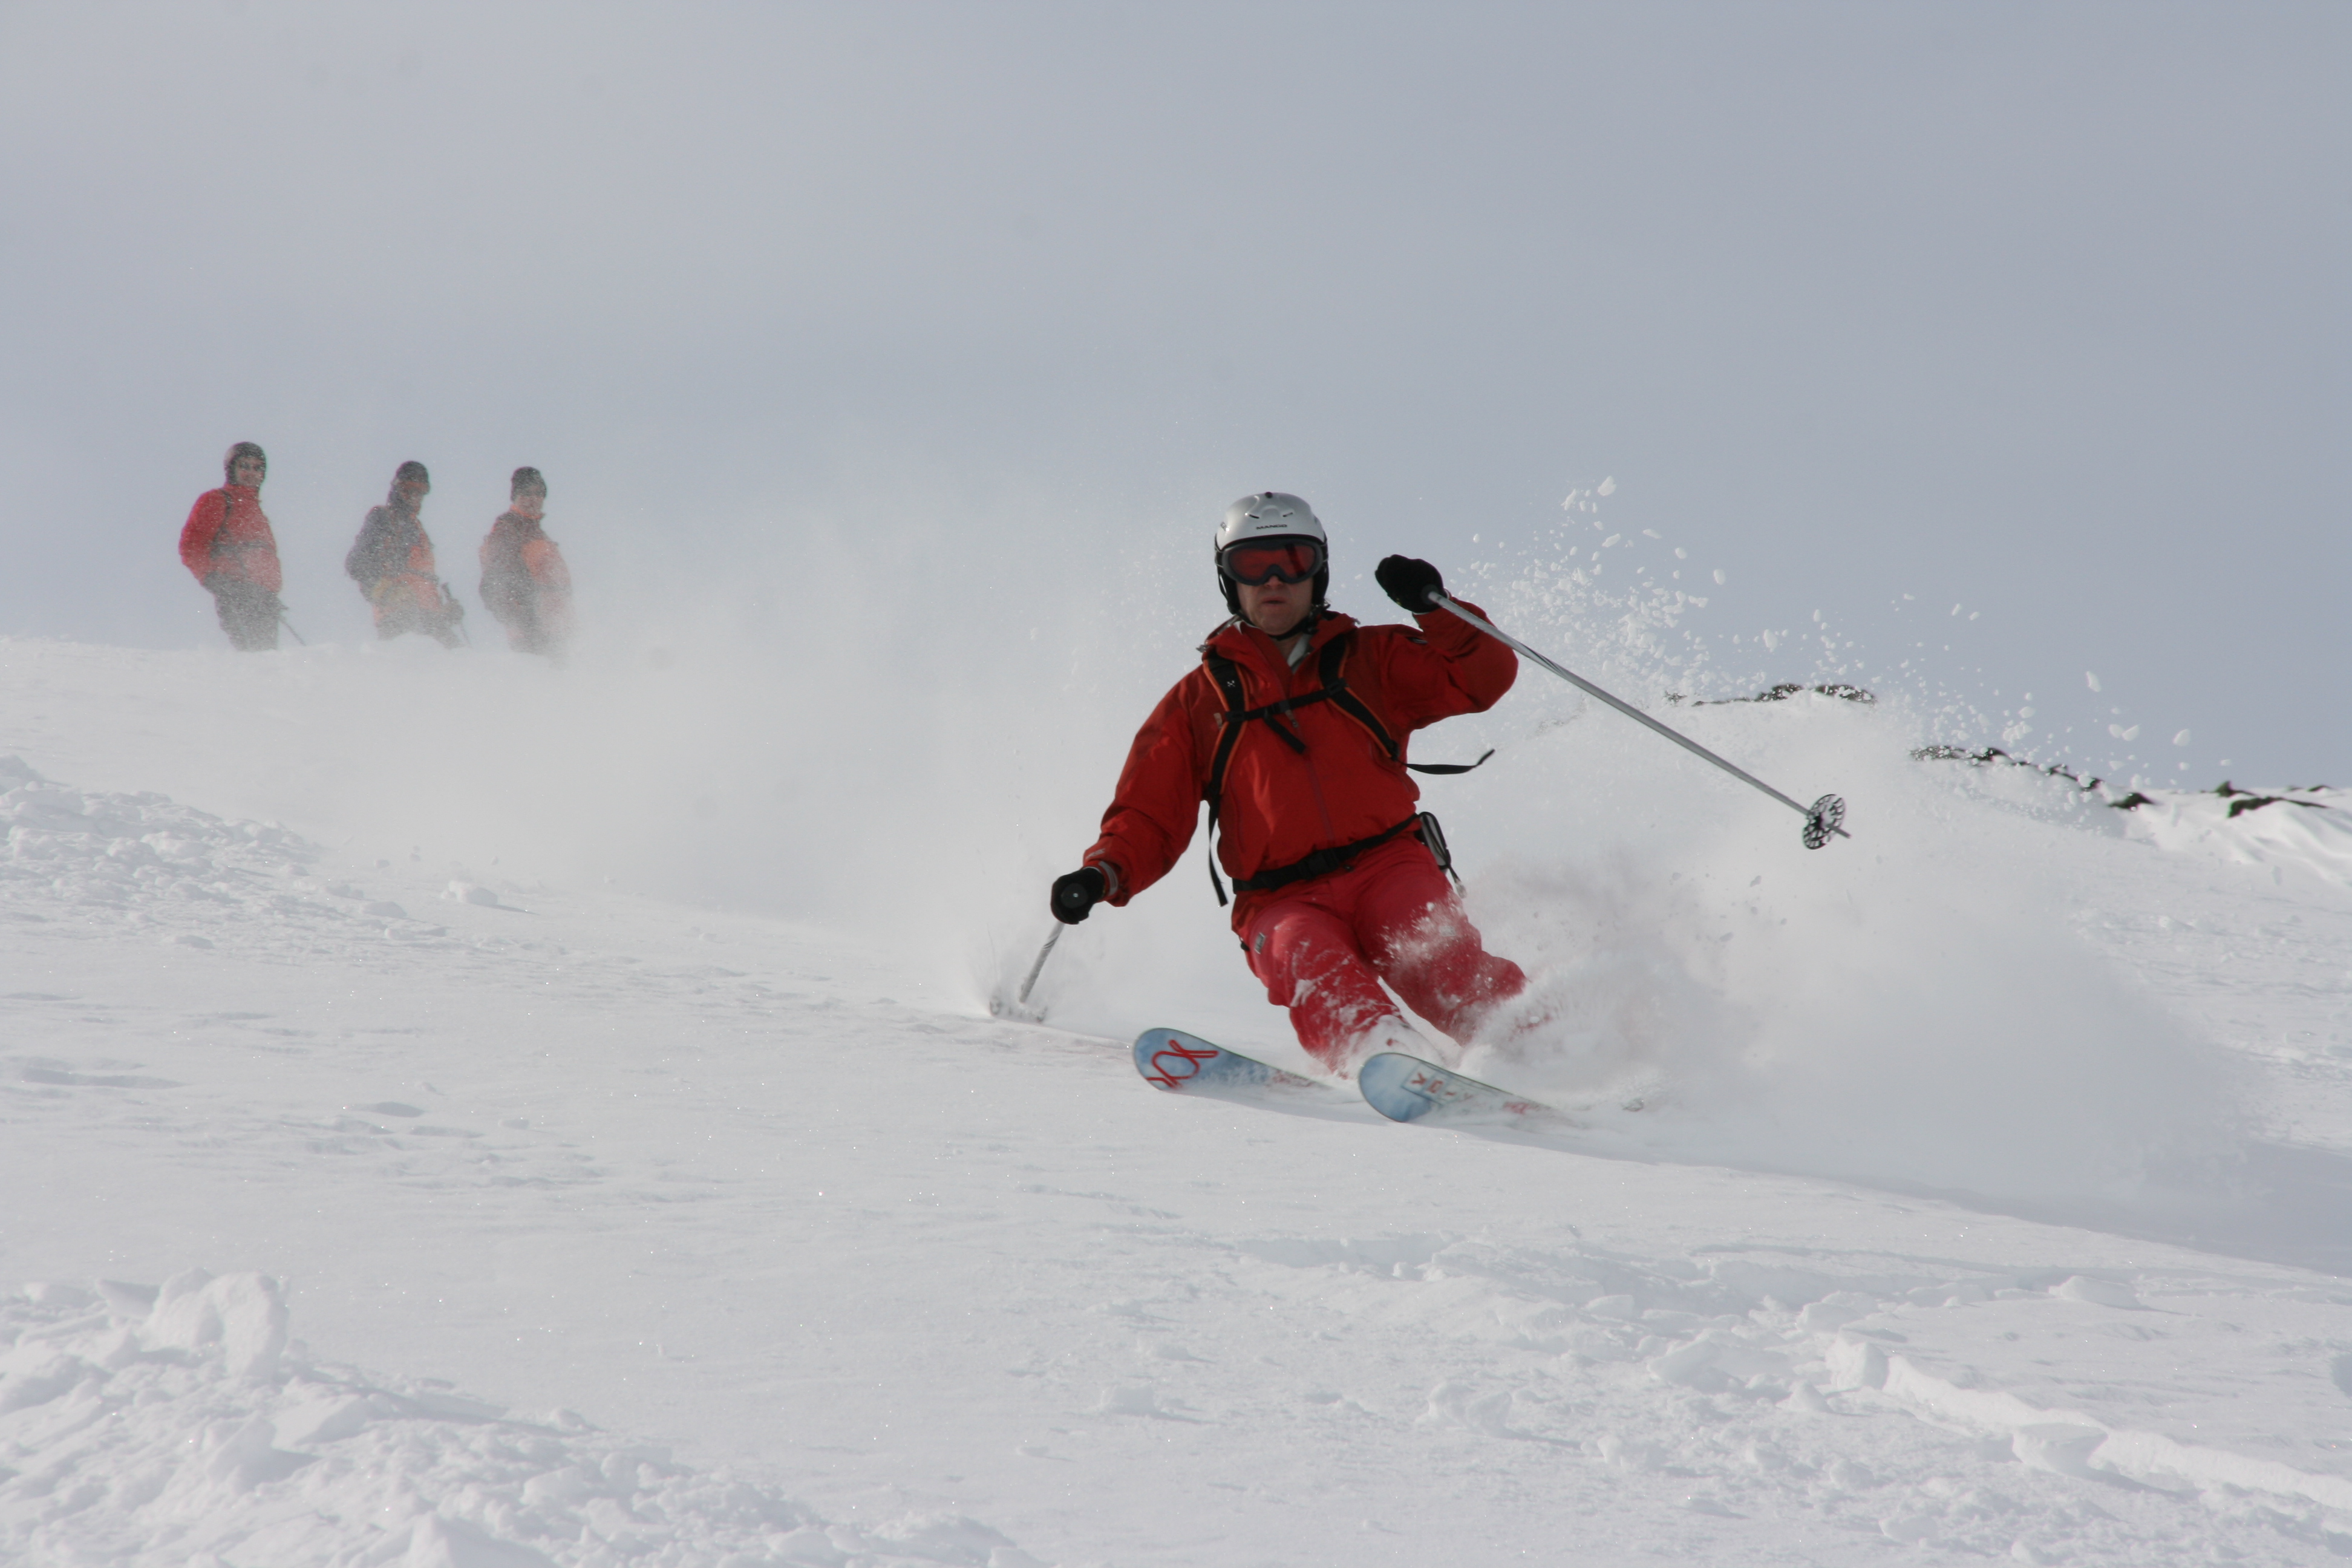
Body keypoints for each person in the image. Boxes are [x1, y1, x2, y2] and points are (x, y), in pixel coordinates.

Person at [1050, 492, 1529, 1076]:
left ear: (1317, 572)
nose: (1275, 579)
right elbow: (1150, 813)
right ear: (1230, 580)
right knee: (1310, 964)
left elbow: (1482, 676)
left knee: (1445, 968)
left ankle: (1546, 1047)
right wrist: (1105, 870)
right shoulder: (1198, 702)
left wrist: (1436, 611)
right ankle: (1386, 1060)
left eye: (1293, 561)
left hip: (1389, 865)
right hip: (1280, 898)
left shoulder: (1370, 659)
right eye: (1254, 565)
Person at [178, 441, 283, 651]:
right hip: (236, 590)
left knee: (267, 656)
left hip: (264, 598)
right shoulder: (218, 500)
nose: (251, 473)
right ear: (231, 469)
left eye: (257, 468)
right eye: (244, 466)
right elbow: (192, 544)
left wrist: (271, 591)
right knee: (255, 652)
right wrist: (212, 578)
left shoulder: (256, 513)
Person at [345, 460, 463, 645]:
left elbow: (421, 581)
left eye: (421, 492)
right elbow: (357, 563)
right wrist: (386, 591)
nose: (415, 497)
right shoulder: (383, 518)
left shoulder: (417, 528)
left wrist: (444, 612)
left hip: (430, 620)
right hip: (398, 617)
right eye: (409, 489)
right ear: (397, 488)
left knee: (461, 665)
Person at [478, 466, 573, 659]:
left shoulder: (536, 533)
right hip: (533, 632)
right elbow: (495, 582)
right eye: (527, 493)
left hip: (557, 628)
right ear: (515, 496)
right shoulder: (509, 529)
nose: (534, 499)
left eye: (539, 494)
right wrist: (524, 619)